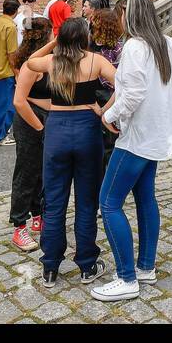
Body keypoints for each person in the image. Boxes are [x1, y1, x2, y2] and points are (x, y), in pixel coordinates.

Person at [90, 0, 172, 302]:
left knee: (108, 202)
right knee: (145, 197)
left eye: (121, 15)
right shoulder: (164, 43)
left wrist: (109, 115)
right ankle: (145, 266)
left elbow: (133, 94)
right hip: (158, 134)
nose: (119, 21)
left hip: (138, 137)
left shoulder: (136, 46)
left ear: (131, 16)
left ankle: (126, 277)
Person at [20, 17, 115, 287]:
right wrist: (104, 109)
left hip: (58, 130)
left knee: (54, 201)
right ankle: (86, 264)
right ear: (85, 37)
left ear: (62, 39)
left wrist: (54, 44)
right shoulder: (95, 61)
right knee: (86, 201)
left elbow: (29, 61)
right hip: (86, 129)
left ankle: (50, 266)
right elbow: (126, 83)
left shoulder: (52, 61)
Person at [10, 16, 55, 252]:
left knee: (42, 171)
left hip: (46, 117)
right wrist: (39, 127)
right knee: (26, 172)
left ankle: (38, 214)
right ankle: (19, 226)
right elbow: (20, 101)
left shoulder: (45, 59)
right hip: (30, 119)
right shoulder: (30, 63)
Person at [90, 5, 125, 181]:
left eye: (96, 21)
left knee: (109, 144)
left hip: (108, 98)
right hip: (89, 98)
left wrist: (105, 110)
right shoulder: (88, 44)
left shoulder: (117, 49)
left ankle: (109, 181)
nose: (92, 23)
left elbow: (120, 84)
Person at [0, 0, 21, 144]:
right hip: (6, 71)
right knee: (7, 107)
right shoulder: (10, 27)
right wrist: (17, 72)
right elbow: (11, 53)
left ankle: (0, 134)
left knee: (2, 105)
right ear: (16, 10)